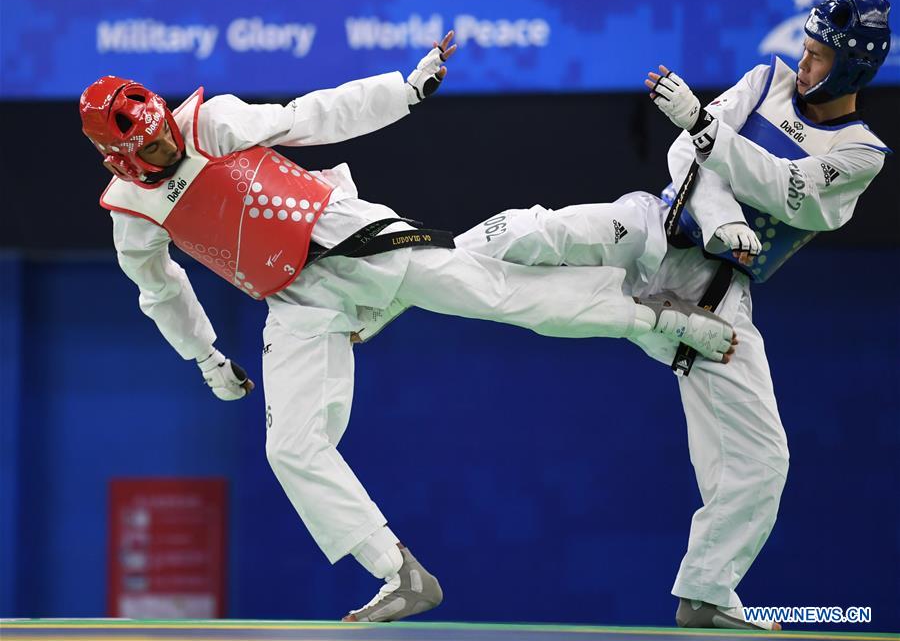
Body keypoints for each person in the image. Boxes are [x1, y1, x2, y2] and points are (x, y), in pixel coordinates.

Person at [79, 32, 739, 622]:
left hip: (353, 237)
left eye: (162, 128)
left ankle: (651, 316)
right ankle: (400, 573)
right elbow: (159, 290)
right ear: (119, 156)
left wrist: (404, 90)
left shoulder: (209, 121)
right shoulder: (129, 212)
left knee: (506, 298)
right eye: (149, 144)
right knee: (292, 447)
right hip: (297, 302)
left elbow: (310, 114)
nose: (166, 142)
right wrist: (205, 356)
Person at [360, 0, 893, 630]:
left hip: (715, 300)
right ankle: (399, 285)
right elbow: (684, 156)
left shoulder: (860, 154)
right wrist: (715, 190)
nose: (802, 64)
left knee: (763, 461)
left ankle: (707, 592)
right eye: (805, 50)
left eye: (818, 56)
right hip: (653, 227)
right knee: (531, 232)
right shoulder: (764, 80)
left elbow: (783, 189)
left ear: (853, 67)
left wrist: (705, 132)